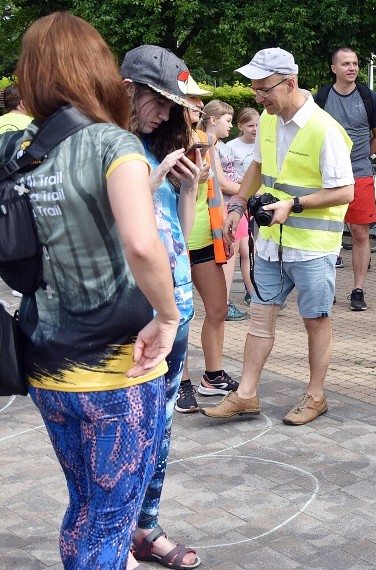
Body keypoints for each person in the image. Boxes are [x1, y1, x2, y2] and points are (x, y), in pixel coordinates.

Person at [6, 12, 180, 568]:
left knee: (85, 509)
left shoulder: (19, 150)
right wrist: (169, 315)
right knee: (111, 522)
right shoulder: (111, 143)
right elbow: (143, 244)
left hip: (46, 366)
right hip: (117, 372)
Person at [201, 48, 354, 425]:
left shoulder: (324, 129)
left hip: (313, 248)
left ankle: (316, 396)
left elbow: (346, 191)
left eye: (263, 89)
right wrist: (237, 202)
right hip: (272, 243)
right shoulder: (269, 121)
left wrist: (294, 205)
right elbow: (258, 166)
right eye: (254, 89)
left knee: (315, 319)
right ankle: (246, 395)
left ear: (290, 83)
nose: (258, 97)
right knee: (260, 315)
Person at [121, 44, 203, 569]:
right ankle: (117, 528)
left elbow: (179, 228)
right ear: (128, 88)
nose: (167, 114)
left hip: (177, 308)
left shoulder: (160, 143)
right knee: (124, 430)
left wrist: (188, 190)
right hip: (136, 314)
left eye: (174, 105)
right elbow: (113, 235)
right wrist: (147, 187)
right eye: (159, 101)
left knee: (161, 426)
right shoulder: (112, 150)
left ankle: (145, 527)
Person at [176, 89, 241, 414]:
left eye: (200, 101)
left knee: (217, 309)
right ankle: (180, 382)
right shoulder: (159, 139)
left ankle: (212, 376)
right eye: (192, 100)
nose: (199, 105)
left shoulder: (204, 138)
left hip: (205, 239)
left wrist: (223, 232)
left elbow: (214, 188)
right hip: (174, 244)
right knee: (181, 316)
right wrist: (184, 182)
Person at [315, 47, 376, 311]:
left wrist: (358, 158)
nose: (352, 68)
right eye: (346, 63)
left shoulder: (369, 97)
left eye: (355, 63)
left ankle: (358, 290)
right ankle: (326, 285)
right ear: (334, 68)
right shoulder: (321, 97)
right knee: (327, 231)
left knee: (359, 232)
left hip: (360, 174)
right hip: (327, 177)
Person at [201, 99, 248, 322]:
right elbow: (222, 183)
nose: (231, 126)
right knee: (228, 256)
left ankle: (224, 301)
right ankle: (224, 302)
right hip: (227, 207)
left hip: (230, 205)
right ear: (213, 120)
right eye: (228, 120)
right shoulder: (210, 144)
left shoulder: (219, 144)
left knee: (234, 253)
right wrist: (249, 191)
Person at [225, 107, 260, 306]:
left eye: (257, 125)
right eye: (250, 126)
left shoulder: (262, 145)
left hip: (257, 201)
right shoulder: (231, 146)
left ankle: (253, 290)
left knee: (252, 249)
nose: (255, 129)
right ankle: (250, 292)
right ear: (240, 126)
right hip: (238, 201)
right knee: (244, 249)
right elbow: (229, 175)